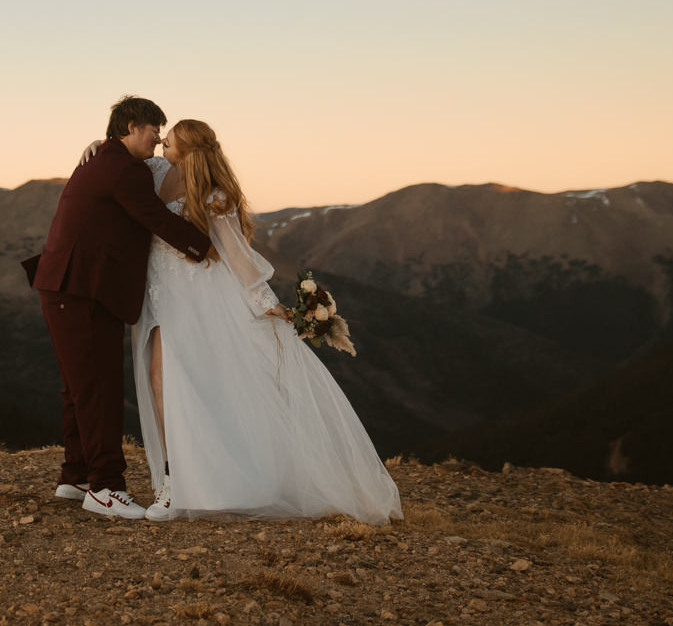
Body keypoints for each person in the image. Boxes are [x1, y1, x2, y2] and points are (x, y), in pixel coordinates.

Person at [128, 119, 401, 524]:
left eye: (170, 140)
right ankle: (176, 480)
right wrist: (98, 146)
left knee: (189, 384)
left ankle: (188, 483)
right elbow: (117, 158)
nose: (161, 141)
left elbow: (238, 257)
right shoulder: (154, 172)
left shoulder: (216, 196)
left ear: (187, 152)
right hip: (161, 297)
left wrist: (266, 302)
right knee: (161, 382)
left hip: (202, 301)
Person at [23, 96, 212, 520]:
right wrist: (207, 247)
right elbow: (155, 219)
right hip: (82, 288)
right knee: (100, 388)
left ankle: (76, 476)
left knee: (80, 386)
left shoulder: (105, 158)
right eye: (153, 130)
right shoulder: (124, 169)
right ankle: (106, 487)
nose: (158, 138)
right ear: (131, 126)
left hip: (66, 285)